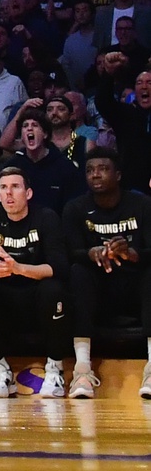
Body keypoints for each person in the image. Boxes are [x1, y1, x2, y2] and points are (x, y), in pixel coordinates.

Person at [0, 163, 70, 398]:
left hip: (36, 296)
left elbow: (60, 267)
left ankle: (55, 369)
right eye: (3, 188)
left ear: (28, 193)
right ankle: (0, 369)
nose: (9, 193)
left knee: (53, 289)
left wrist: (20, 268)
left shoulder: (46, 217)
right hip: (3, 298)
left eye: (15, 187)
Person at [61, 146, 151, 400]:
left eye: (103, 169)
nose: (95, 175)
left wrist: (132, 253)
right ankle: (82, 370)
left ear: (119, 175)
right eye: (90, 170)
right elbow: (68, 252)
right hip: (97, 290)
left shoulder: (142, 204)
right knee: (78, 271)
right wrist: (91, 252)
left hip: (134, 288)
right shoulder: (75, 208)